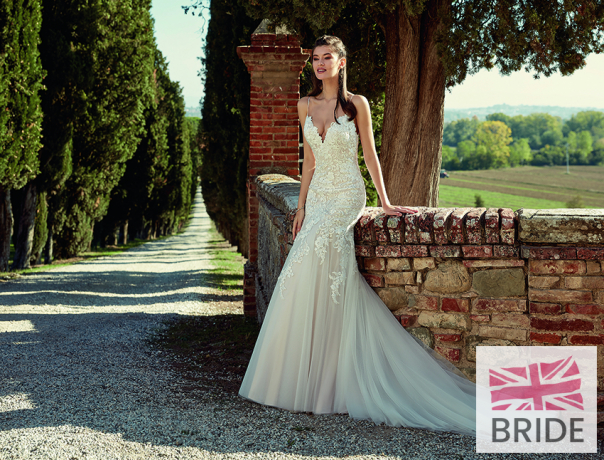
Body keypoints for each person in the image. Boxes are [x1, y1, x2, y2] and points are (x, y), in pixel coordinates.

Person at [239, 35, 477, 437]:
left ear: (342, 62)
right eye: (315, 58)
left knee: (327, 259)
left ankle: (332, 383)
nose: (320, 63)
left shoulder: (357, 105)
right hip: (318, 197)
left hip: (348, 195)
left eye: (327, 57)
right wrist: (301, 206)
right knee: (300, 269)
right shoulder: (304, 105)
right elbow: (309, 161)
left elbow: (369, 154)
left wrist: (385, 202)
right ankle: (298, 380)